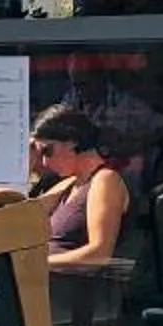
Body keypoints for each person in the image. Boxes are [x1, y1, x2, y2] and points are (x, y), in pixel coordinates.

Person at [32, 105, 130, 271]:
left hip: (79, 289)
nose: (45, 162)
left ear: (71, 143)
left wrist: (38, 264)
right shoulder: (69, 184)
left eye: (47, 151)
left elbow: (99, 254)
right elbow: (25, 213)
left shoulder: (105, 181)